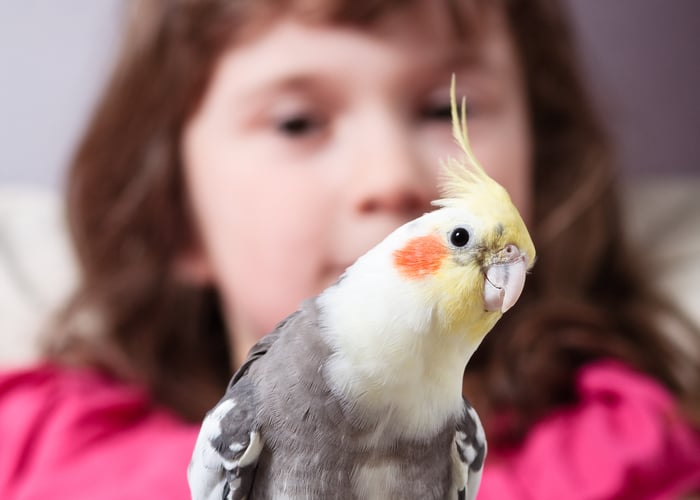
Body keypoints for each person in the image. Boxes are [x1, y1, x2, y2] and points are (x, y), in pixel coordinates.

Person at [1, 0, 699, 498]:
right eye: (298, 122)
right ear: (172, 216)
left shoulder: (625, 448)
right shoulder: (42, 443)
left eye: (440, 109)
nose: (390, 178)